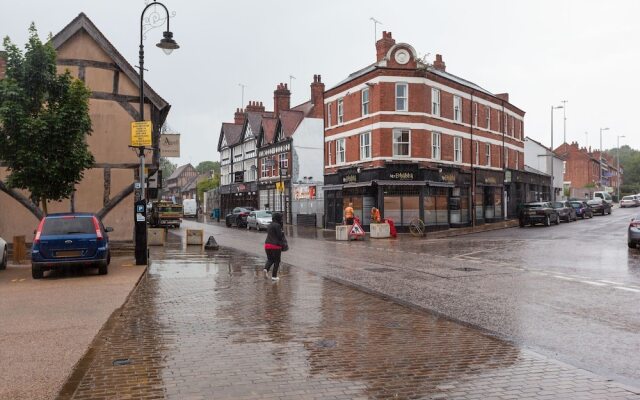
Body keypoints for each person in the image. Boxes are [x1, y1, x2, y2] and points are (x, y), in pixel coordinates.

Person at [263, 212, 286, 281]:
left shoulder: (270, 225)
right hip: (275, 246)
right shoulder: (277, 225)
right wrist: (282, 232)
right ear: (278, 218)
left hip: (267, 245)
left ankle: (266, 269)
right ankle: (274, 276)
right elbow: (279, 236)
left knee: (270, 259)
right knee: (277, 261)